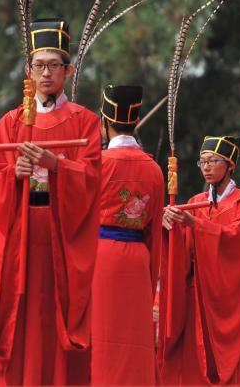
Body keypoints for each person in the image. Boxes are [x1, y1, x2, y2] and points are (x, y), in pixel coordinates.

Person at [0, 17, 101, 384]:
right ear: (28, 71)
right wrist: (12, 174)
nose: (45, 73)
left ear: (68, 69)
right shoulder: (11, 122)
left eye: (53, 65)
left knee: (55, 321)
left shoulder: (85, 122)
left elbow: (94, 179)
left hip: (61, 238)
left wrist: (57, 165)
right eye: (38, 65)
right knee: (19, 318)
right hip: (21, 235)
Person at [160, 135, 240, 384]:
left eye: (213, 161)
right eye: (202, 162)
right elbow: (181, 252)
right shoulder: (195, 203)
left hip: (226, 301)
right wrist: (168, 227)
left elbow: (236, 240)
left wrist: (196, 224)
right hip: (196, 297)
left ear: (230, 165)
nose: (206, 167)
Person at [90, 85, 163, 385]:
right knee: (135, 345)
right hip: (137, 262)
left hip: (102, 257)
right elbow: (155, 232)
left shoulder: (98, 165)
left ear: (105, 121)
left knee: (102, 342)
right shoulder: (154, 170)